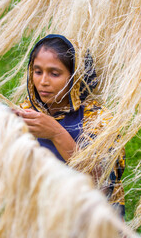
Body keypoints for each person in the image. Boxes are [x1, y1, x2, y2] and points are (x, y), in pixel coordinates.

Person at [14, 34, 125, 217]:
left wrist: (56, 133)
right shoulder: (27, 110)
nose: (43, 81)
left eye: (54, 73)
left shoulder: (97, 118)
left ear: (76, 76)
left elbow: (99, 182)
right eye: (38, 71)